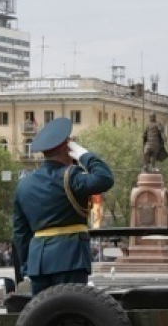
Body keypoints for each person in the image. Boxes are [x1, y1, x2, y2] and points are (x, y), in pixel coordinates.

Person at [13, 117, 114, 295]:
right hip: (71, 258)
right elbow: (105, 179)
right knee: (70, 314)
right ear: (67, 148)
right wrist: (84, 154)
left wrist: (28, 266)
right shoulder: (71, 177)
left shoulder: (24, 184)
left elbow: (20, 232)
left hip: (38, 263)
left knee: (42, 317)